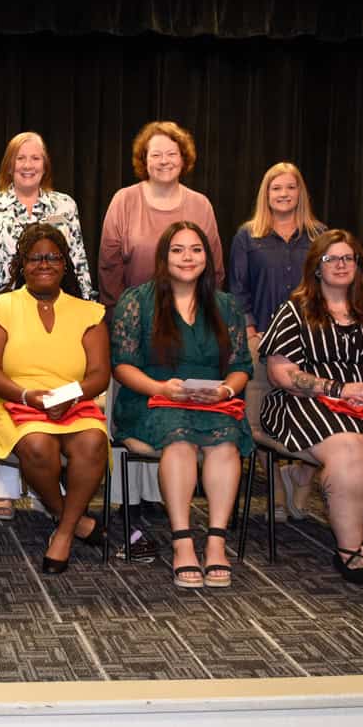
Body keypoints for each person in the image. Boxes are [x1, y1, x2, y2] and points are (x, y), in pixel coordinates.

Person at [98, 120, 224, 559]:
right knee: (138, 400)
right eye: (155, 154)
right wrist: (117, 318)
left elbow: (215, 267)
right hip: (135, 319)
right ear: (143, 160)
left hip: (187, 319)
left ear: (184, 158)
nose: (164, 160)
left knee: (181, 406)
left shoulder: (200, 204)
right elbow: (110, 265)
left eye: (171, 153)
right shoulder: (124, 200)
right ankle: (129, 500)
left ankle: (168, 500)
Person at [259, 229, 363, 584]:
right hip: (303, 401)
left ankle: (353, 538)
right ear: (316, 266)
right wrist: (338, 389)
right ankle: (350, 550)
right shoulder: (294, 310)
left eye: (349, 258)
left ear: (358, 265)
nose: (341, 265)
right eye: (332, 258)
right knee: (351, 446)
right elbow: (281, 373)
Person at [110, 222, 252, 589]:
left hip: (212, 402)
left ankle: (217, 542)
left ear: (207, 256)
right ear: (163, 256)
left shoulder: (225, 306)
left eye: (195, 249)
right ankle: (183, 542)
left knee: (224, 441)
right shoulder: (136, 300)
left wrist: (224, 392)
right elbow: (123, 365)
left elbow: (240, 369)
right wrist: (161, 388)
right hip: (150, 400)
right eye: (177, 250)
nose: (187, 257)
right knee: (180, 439)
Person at [0, 132, 96, 521]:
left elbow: (79, 261)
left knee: (52, 391)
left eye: (35, 158)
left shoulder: (64, 205)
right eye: (21, 159)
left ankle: (45, 488)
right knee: (9, 396)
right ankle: (2, 487)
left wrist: (87, 310)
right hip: (5, 316)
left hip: (56, 313)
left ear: (45, 164)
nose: (28, 165)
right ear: (9, 164)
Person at [0, 224, 110, 573]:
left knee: (93, 442)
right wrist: (27, 396)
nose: (44, 264)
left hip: (73, 400)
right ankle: (74, 521)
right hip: (15, 400)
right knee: (38, 446)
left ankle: (64, 531)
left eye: (53, 257)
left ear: (66, 264)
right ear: (22, 265)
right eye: (35, 258)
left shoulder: (89, 313)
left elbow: (98, 374)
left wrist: (71, 395)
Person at [229, 162, 326, 520]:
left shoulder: (319, 235)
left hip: (311, 344)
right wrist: (250, 330)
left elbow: (328, 287)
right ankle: (275, 495)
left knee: (315, 412)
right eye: (276, 188)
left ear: (300, 192)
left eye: (290, 187)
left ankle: (299, 475)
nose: (283, 194)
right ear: (265, 194)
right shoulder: (247, 235)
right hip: (264, 341)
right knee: (264, 423)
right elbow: (238, 289)